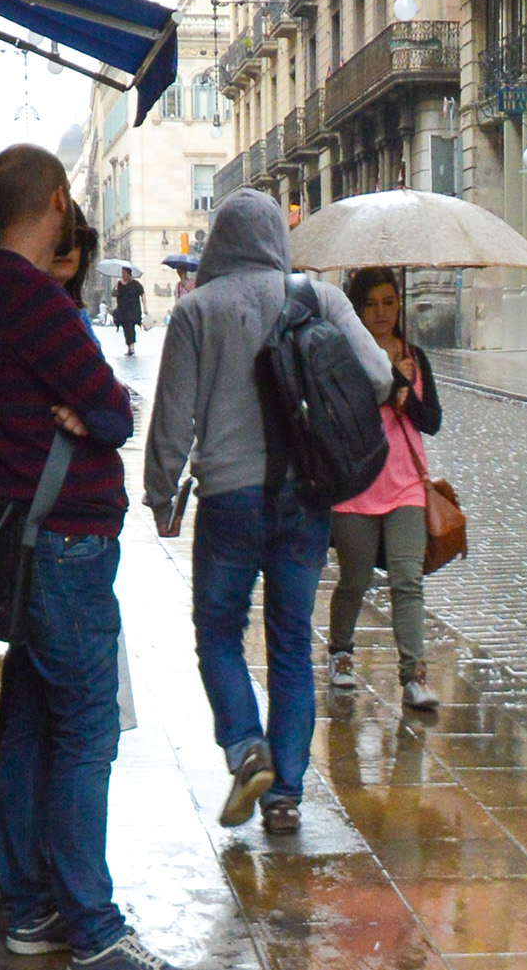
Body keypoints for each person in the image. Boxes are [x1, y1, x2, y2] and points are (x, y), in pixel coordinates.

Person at [0, 146, 195, 970]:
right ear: (56, 199)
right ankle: (94, 928)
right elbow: (111, 409)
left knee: (27, 715)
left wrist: (91, 409)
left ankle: (26, 899)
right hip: (65, 542)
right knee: (86, 727)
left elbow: (94, 405)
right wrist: (96, 413)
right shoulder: (31, 299)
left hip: (26, 536)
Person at [145, 190, 391, 836]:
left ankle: (243, 744)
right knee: (289, 640)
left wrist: (159, 495)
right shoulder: (319, 298)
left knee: (218, 632)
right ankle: (285, 792)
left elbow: (173, 416)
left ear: (220, 242)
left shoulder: (197, 310)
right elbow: (379, 376)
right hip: (304, 496)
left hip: (227, 498)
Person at [325, 265, 444, 716]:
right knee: (354, 579)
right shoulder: (343, 355)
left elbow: (431, 420)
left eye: (389, 303)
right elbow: (340, 415)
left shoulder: (415, 355)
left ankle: (413, 676)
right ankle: (340, 651)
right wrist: (389, 379)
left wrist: (406, 393)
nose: (381, 313)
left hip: (407, 485)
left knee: (407, 581)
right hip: (357, 485)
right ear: (356, 310)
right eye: (371, 305)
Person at [111, 265, 146, 356]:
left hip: (133, 310)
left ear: (129, 274)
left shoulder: (135, 284)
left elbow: (142, 294)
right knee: (126, 328)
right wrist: (115, 288)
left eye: (124, 273)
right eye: (122, 273)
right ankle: (129, 346)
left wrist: (145, 307)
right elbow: (114, 294)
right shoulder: (119, 284)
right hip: (122, 310)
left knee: (131, 327)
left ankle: (132, 347)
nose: (123, 275)